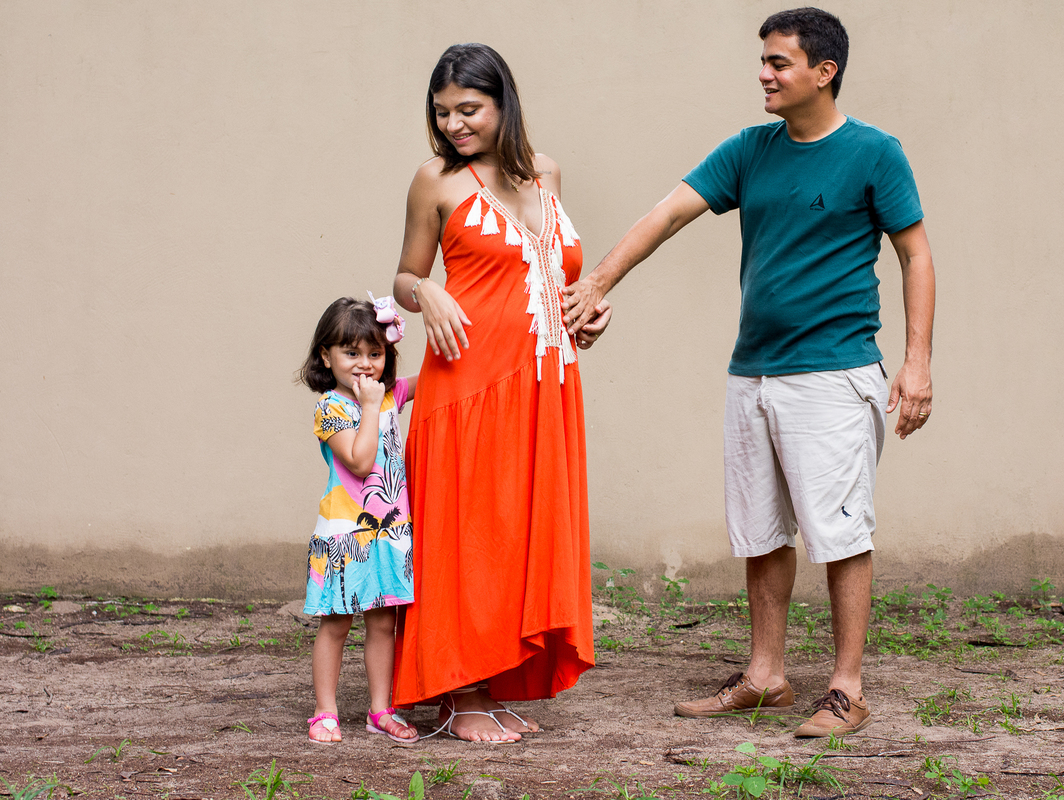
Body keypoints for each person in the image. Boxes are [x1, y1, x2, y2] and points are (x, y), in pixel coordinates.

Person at [562, 7, 935, 738]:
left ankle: (847, 690)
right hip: (753, 373)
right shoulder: (749, 149)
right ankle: (766, 676)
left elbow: (915, 254)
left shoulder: (873, 153)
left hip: (833, 373)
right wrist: (599, 281)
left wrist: (917, 363)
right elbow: (668, 214)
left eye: (778, 62)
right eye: (762, 61)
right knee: (761, 531)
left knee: (840, 533)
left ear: (824, 72)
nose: (763, 74)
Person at [390, 43, 612, 743]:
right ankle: (460, 696)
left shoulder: (545, 172)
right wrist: (426, 291)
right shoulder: (435, 180)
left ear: (502, 103)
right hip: (469, 386)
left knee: (520, 535)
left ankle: (495, 682)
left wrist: (586, 314)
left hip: (546, 386)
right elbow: (404, 277)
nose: (453, 124)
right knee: (471, 535)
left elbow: (551, 277)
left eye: (469, 109)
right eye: (442, 112)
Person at [297, 296, 421, 745]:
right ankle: (324, 711)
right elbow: (361, 460)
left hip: (389, 534)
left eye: (375, 353)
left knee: (383, 624)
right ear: (326, 356)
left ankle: (380, 710)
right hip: (345, 536)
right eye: (351, 353)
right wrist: (371, 406)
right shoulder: (330, 408)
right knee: (336, 624)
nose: (365, 364)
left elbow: (439, 379)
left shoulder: (390, 395)